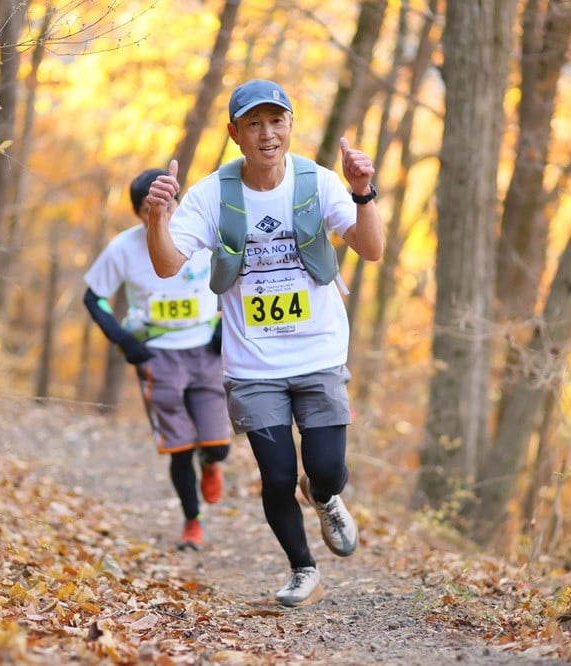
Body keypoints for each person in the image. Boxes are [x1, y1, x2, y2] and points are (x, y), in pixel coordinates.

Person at [144, 79, 384, 606]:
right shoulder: (213, 195)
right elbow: (166, 264)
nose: (267, 133)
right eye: (254, 123)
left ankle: (324, 497)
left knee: (325, 470)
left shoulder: (318, 182)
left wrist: (362, 191)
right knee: (276, 477)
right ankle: (304, 570)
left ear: (291, 126)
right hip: (254, 364)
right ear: (235, 133)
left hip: (319, 352)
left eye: (277, 121)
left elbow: (370, 248)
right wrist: (156, 219)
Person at [83, 168, 231, 551]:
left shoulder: (202, 234)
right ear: (139, 212)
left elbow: (238, 276)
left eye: (170, 202)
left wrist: (224, 326)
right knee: (178, 447)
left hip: (205, 350)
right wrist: (123, 341)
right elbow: (93, 297)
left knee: (218, 445)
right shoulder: (123, 247)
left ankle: (212, 462)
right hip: (158, 355)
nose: (164, 210)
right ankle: (192, 522)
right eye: (153, 206)